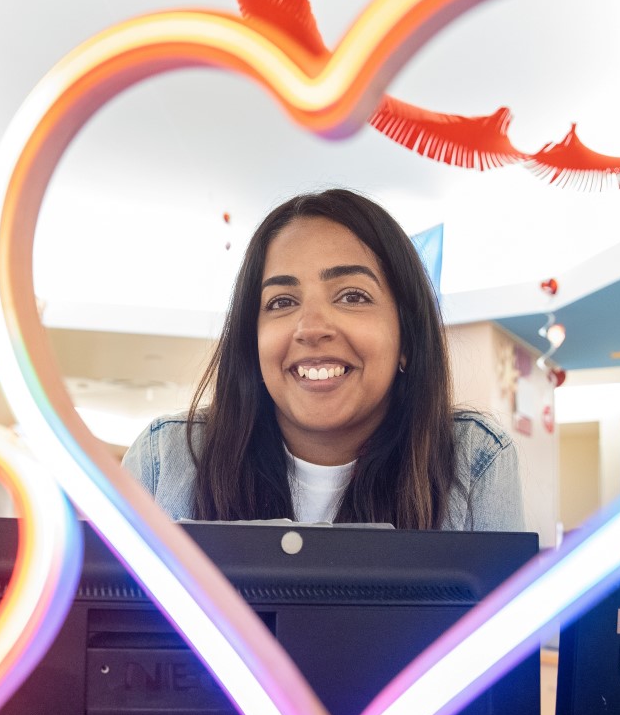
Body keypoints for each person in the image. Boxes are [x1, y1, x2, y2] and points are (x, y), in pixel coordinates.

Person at [121, 188, 524, 531]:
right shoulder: (164, 459)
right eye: (281, 301)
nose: (310, 327)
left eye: (352, 296)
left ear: (407, 337)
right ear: (251, 339)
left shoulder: (475, 460)